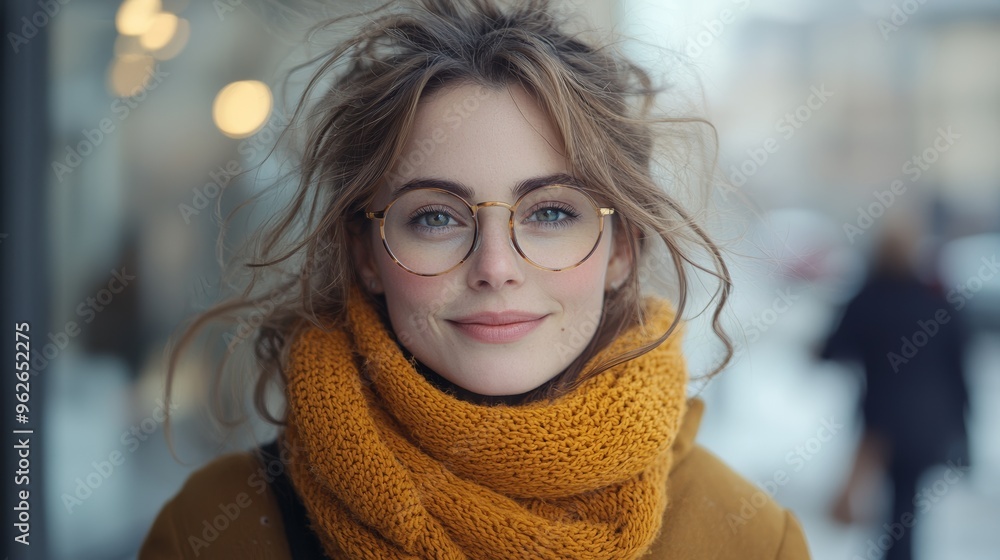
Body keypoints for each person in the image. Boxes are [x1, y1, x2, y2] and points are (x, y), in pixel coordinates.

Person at [139, 1, 811, 558]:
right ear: (366, 250)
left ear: (622, 249)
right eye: (435, 218)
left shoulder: (749, 538)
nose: (495, 268)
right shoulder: (212, 529)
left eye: (551, 212)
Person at [821, 225, 970, 560]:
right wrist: (964, 430)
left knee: (890, 507)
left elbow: (832, 350)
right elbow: (960, 370)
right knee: (906, 506)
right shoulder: (938, 302)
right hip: (929, 422)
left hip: (880, 424)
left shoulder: (866, 298)